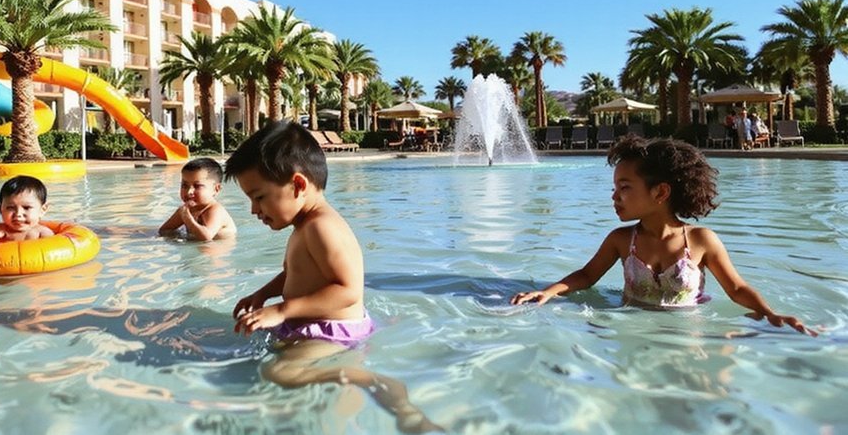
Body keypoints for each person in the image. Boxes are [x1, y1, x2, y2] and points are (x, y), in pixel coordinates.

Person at [226, 121, 441, 432]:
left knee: (279, 373)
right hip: (314, 325)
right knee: (271, 354)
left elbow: (348, 290)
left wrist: (283, 310)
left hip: (333, 331)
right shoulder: (305, 224)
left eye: (259, 197)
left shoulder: (321, 227)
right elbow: (294, 272)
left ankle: (368, 380)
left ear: (298, 185)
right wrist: (263, 294)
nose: (253, 210)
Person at [510, 135, 817, 336]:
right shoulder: (621, 240)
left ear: (660, 192)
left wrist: (770, 314)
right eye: (615, 188)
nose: (615, 196)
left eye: (624, 187)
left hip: (688, 331)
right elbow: (588, 275)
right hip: (629, 328)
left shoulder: (701, 241)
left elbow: (736, 288)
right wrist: (548, 292)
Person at [158, 157, 236, 241]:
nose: (189, 192)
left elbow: (206, 237)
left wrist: (187, 219)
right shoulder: (185, 211)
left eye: (197, 186)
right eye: (184, 185)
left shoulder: (216, 210)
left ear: (216, 189)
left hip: (216, 247)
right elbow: (164, 230)